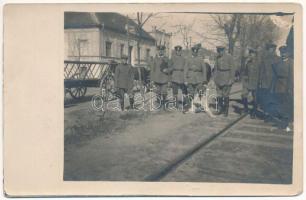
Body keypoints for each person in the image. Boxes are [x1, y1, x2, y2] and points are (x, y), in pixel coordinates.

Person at [269, 46, 293, 130]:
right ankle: (280, 123)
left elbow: (291, 77)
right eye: (281, 53)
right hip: (278, 86)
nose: (283, 54)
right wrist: (273, 87)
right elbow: (275, 76)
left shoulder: (291, 63)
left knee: (285, 105)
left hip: (286, 86)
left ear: (288, 54)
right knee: (279, 105)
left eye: (284, 53)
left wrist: (289, 88)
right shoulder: (278, 62)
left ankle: (285, 123)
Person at [258, 42, 280, 120]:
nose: (269, 50)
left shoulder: (278, 59)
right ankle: (266, 114)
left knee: (273, 99)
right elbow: (261, 71)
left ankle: (272, 114)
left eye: (271, 49)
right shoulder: (264, 59)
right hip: (265, 82)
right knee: (265, 98)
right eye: (268, 49)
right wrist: (260, 81)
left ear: (274, 49)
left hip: (274, 83)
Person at [183, 46, 207, 112]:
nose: (195, 53)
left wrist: (204, 80)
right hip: (190, 78)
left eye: (196, 52)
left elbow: (204, 70)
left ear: (197, 52)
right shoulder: (188, 59)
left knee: (199, 92)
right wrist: (185, 79)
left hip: (198, 78)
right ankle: (190, 106)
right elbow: (185, 69)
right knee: (190, 92)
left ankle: (199, 106)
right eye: (194, 52)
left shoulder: (200, 59)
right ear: (192, 52)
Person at [214, 46, 236, 117]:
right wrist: (215, 79)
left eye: (221, 51)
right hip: (219, 78)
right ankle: (220, 109)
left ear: (224, 50)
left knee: (226, 95)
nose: (219, 52)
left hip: (227, 78)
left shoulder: (229, 57)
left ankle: (225, 111)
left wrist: (231, 79)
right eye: (218, 51)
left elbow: (232, 69)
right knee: (219, 95)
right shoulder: (217, 58)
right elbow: (216, 69)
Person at [240, 48, 260, 118]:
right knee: (243, 95)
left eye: (252, 54)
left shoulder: (259, 63)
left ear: (255, 55)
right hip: (248, 83)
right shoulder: (248, 63)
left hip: (256, 83)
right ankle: (246, 109)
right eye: (250, 54)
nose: (250, 55)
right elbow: (245, 73)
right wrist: (244, 81)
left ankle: (254, 111)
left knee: (255, 98)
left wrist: (260, 83)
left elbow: (261, 74)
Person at [149, 45, 171, 110]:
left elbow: (171, 68)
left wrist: (167, 70)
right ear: (157, 51)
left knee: (164, 92)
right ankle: (159, 105)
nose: (161, 52)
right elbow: (152, 70)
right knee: (158, 92)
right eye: (159, 50)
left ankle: (164, 105)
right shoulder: (155, 59)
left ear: (164, 51)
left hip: (165, 78)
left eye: (162, 50)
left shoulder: (167, 59)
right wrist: (152, 80)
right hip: (157, 79)